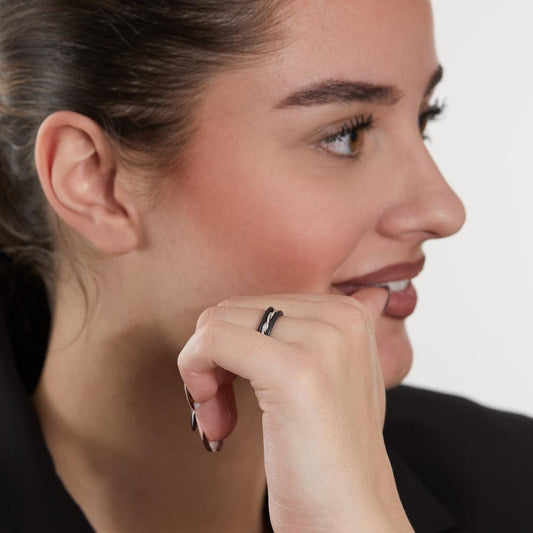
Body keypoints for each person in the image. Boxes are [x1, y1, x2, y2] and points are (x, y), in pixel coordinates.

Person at [0, 1, 531, 532]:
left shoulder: (515, 483)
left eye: (424, 119)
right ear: (95, 182)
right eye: (346, 135)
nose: (444, 211)